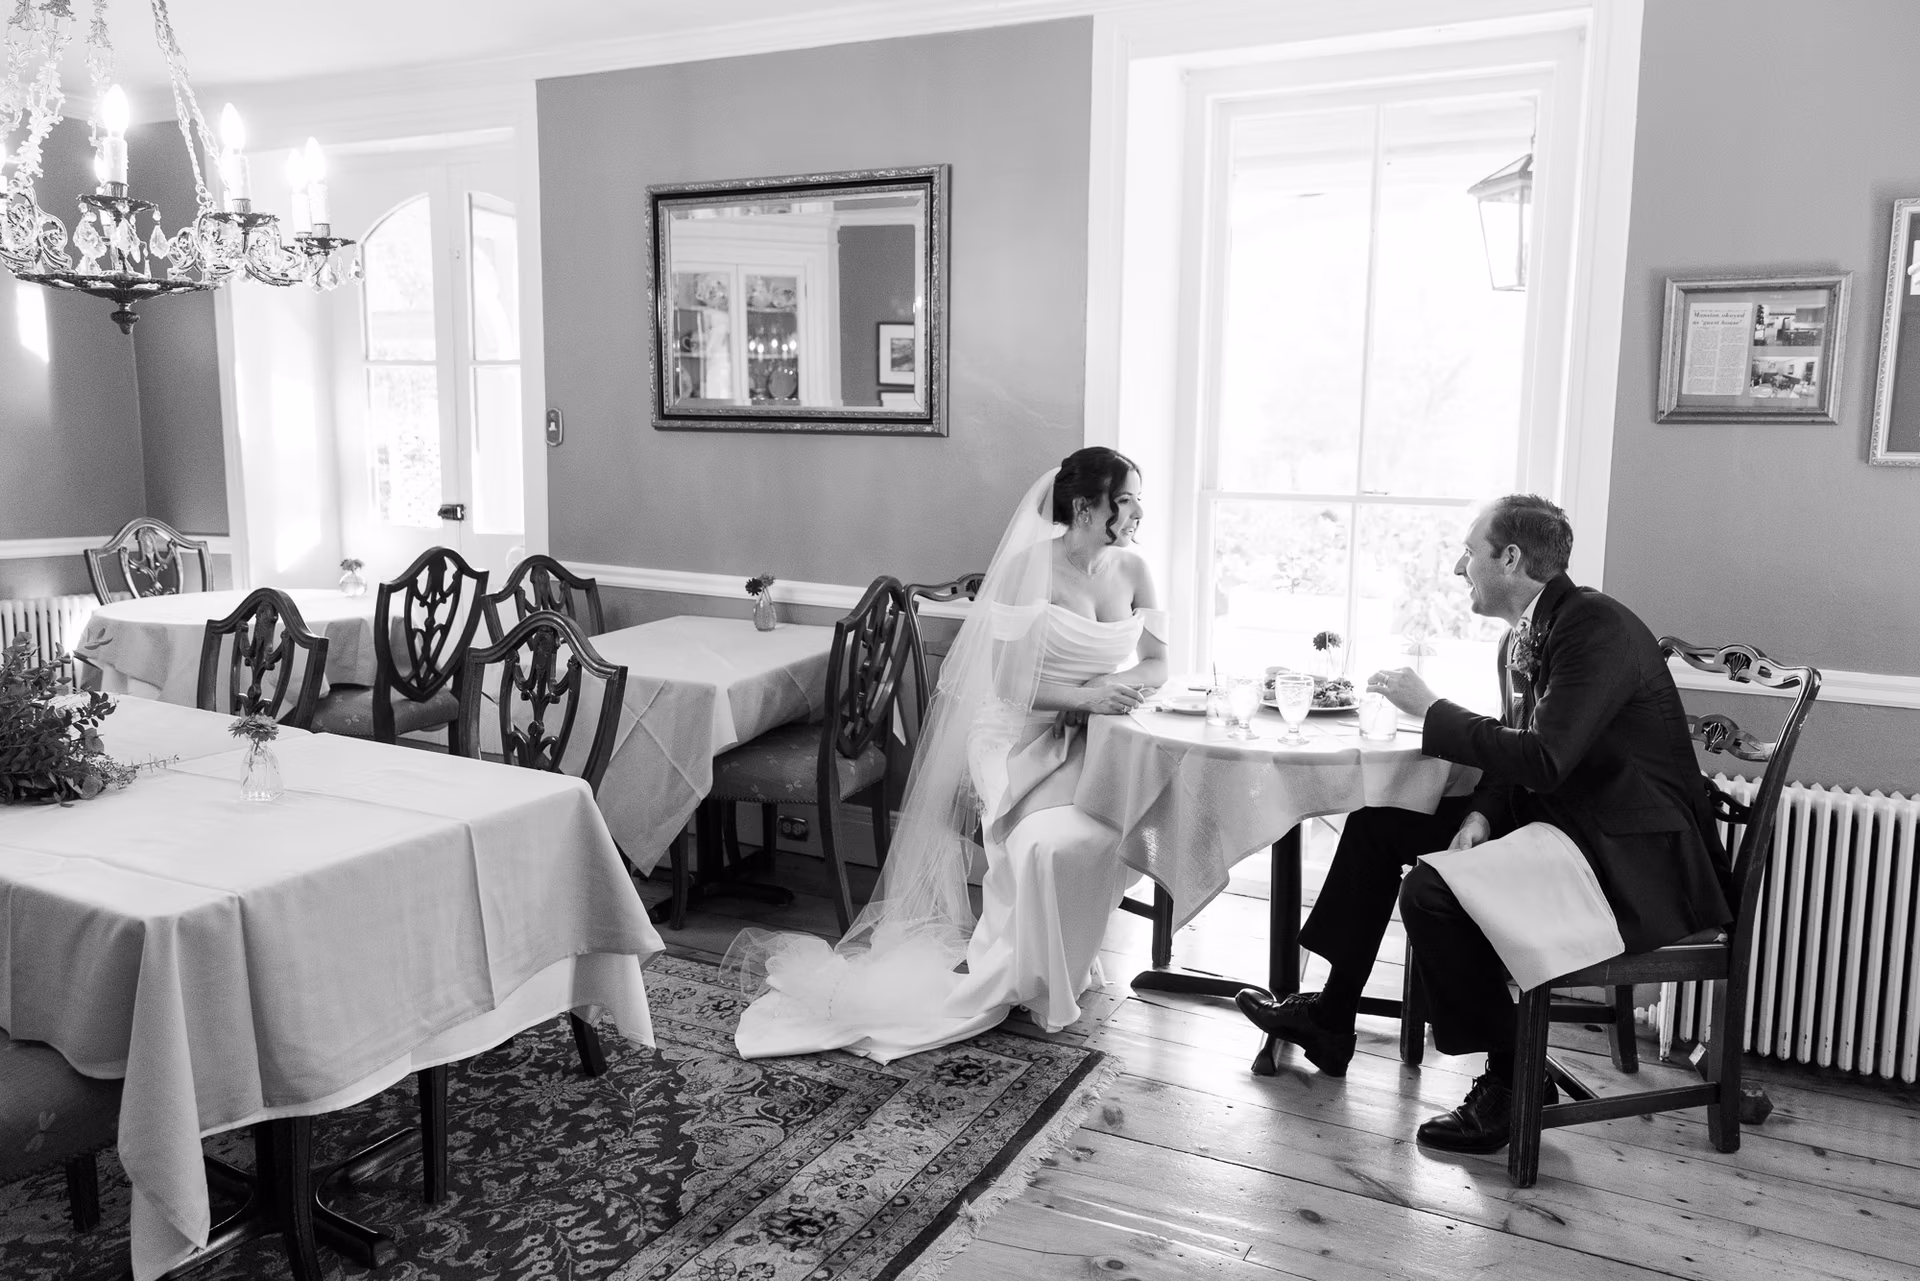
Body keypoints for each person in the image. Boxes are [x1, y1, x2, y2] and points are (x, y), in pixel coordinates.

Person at [1235, 494, 1730, 1153]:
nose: (1459, 567)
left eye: (1470, 552)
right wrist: (1480, 811)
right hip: (1568, 823)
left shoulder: (1594, 629)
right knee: (1383, 820)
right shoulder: (1536, 630)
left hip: (1632, 857)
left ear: (1512, 557)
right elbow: (1525, 745)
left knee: (1432, 891)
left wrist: (1432, 708)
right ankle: (1331, 1017)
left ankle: (1510, 1076)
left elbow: (1545, 758)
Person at [726, 448, 1168, 1062]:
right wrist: (1092, 696)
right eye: (1126, 500)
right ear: (1087, 507)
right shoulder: (1025, 569)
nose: (1139, 512)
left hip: (1097, 732)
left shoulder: (1136, 570)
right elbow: (1013, 687)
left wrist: (1107, 700)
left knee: (1091, 835)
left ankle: (1059, 960)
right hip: (1017, 735)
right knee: (1038, 840)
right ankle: (1017, 970)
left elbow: (1158, 661)